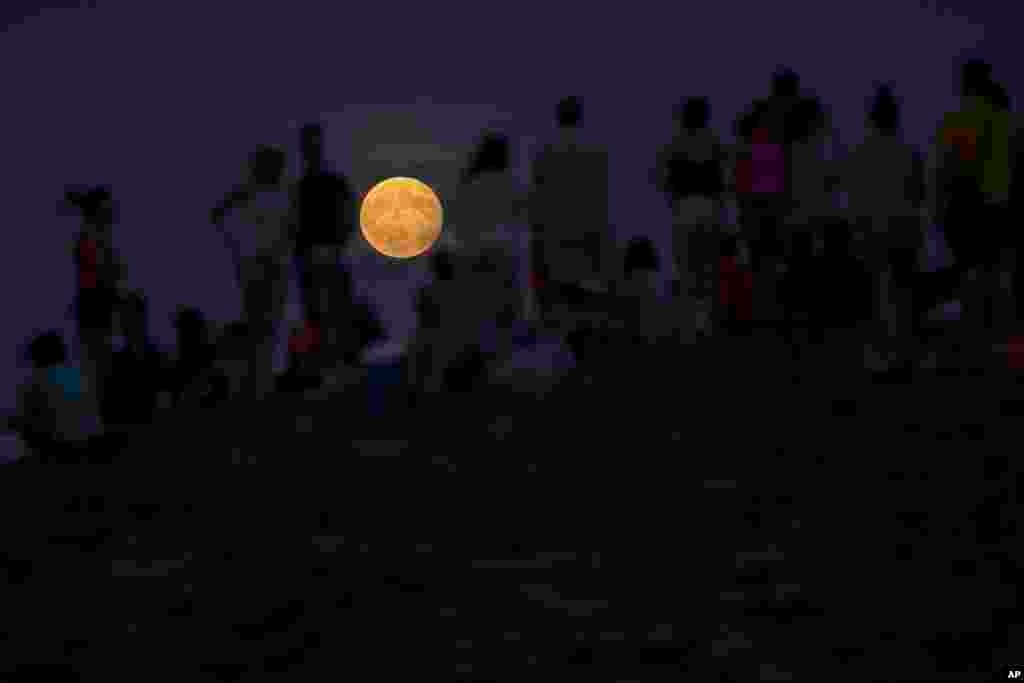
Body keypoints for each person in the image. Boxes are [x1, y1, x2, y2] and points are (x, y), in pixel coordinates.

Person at [842, 84, 926, 374]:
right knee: (902, 294)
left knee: (873, 294)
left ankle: (878, 354)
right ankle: (902, 353)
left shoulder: (858, 153)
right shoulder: (909, 152)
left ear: (871, 118)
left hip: (870, 230)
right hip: (903, 226)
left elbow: (852, 196)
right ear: (896, 117)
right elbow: (918, 193)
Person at [212, 145, 295, 399]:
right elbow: (221, 211)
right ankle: (259, 381)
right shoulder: (255, 192)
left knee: (268, 324)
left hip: (271, 265)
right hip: (258, 265)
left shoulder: (280, 194)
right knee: (259, 325)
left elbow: (289, 228)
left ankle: (263, 380)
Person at [733, 68, 806, 326]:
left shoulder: (759, 112)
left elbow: (741, 145)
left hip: (758, 198)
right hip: (773, 199)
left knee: (763, 261)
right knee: (777, 260)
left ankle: (763, 314)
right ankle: (775, 314)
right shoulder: (792, 118)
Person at [531, 97, 612, 315]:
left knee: (559, 293)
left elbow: (540, 191)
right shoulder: (595, 149)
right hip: (587, 226)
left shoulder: (547, 150)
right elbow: (601, 192)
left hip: (556, 228)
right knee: (584, 291)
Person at [655, 96, 727, 338]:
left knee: (686, 267)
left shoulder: (675, 143)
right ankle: (704, 322)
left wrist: (671, 199)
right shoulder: (715, 141)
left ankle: (689, 323)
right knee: (708, 266)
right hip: (709, 207)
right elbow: (724, 179)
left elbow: (660, 178)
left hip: (684, 207)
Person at [292, 122, 359, 359]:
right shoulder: (300, 187)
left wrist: (340, 241)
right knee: (317, 310)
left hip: (328, 252)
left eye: (314, 142)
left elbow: (349, 211)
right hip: (311, 254)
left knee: (336, 306)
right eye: (308, 143)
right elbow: (292, 223)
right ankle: (324, 358)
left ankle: (343, 355)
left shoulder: (330, 183)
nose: (311, 148)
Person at [66, 185, 125, 413]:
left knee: (100, 360)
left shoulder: (98, 235)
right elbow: (100, 271)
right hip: (95, 304)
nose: (113, 212)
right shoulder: (91, 235)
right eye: (108, 207)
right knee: (98, 362)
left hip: (98, 303)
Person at [8, 331, 103, 461]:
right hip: (93, 445)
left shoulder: (35, 381)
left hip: (59, 449)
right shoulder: (81, 376)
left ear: (37, 356)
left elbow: (27, 421)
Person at [101, 290, 169, 427]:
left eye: (129, 316)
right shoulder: (117, 361)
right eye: (123, 317)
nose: (124, 323)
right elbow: (109, 407)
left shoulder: (158, 357)